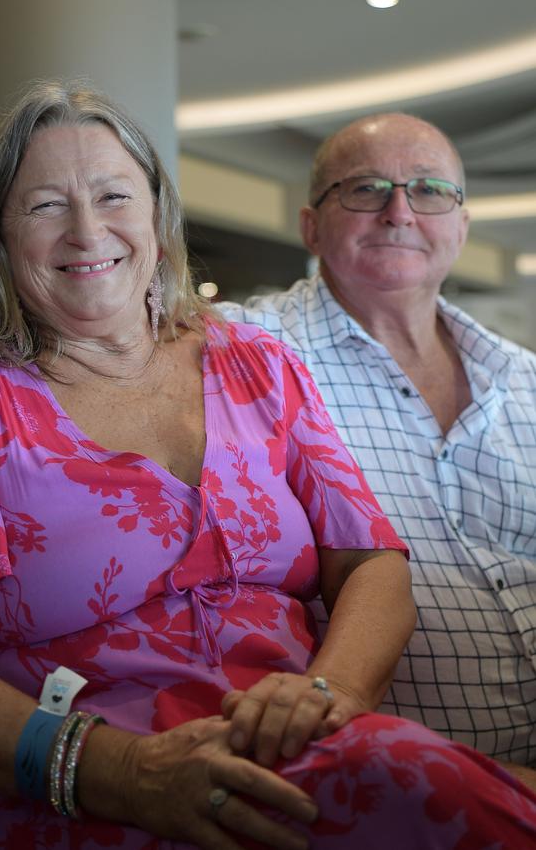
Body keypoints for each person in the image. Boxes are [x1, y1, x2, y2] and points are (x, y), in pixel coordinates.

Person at [0, 81, 534, 850]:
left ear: (158, 220)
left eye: (113, 195)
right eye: (45, 205)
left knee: (408, 780)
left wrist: (328, 695)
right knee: (422, 788)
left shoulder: (255, 359)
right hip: (83, 784)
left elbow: (370, 562)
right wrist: (121, 770)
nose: (88, 231)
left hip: (308, 750)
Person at [220, 111, 536, 791]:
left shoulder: (524, 377)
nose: (400, 211)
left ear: (462, 224)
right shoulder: (245, 347)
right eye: (365, 188)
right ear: (311, 225)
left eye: (429, 189)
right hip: (385, 785)